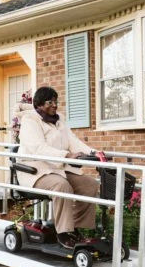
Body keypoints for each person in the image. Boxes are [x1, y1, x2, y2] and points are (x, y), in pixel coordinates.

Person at [15, 87, 100, 248]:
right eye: (50, 102)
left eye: (56, 101)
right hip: (35, 169)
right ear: (39, 104)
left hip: (58, 168)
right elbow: (38, 148)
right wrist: (67, 156)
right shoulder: (30, 121)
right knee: (61, 186)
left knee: (90, 186)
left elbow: (72, 141)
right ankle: (63, 232)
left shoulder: (59, 120)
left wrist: (93, 152)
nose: (55, 105)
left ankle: (72, 226)